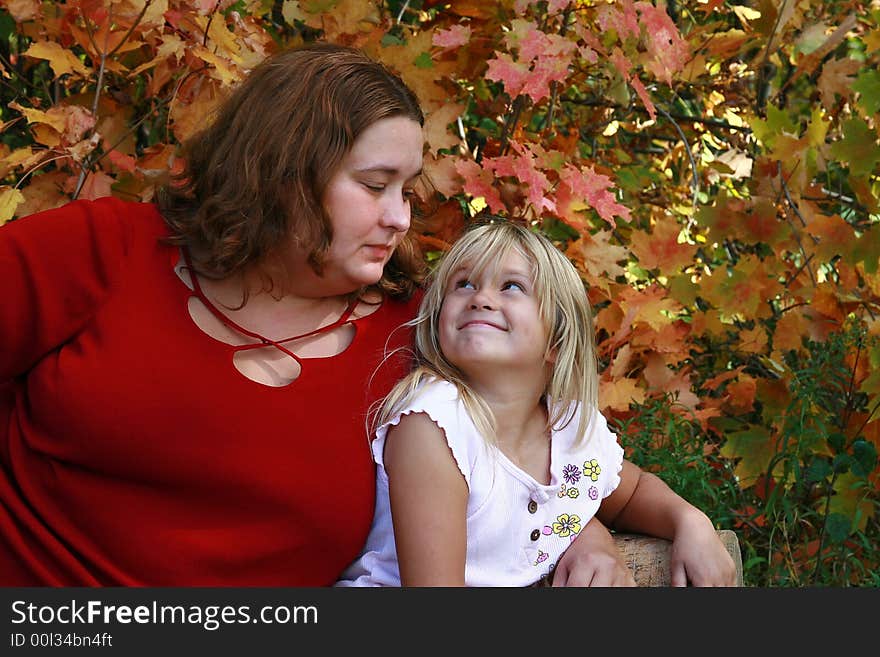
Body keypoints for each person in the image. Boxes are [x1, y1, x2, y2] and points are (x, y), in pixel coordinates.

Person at [0, 42, 430, 586]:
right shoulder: (107, 249)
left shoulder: (420, 335)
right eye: (374, 185)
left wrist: (577, 529)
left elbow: (551, 445)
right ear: (283, 173)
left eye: (408, 191)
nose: (399, 218)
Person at [337, 220, 737, 587]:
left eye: (511, 286)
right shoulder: (434, 424)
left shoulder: (570, 428)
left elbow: (629, 495)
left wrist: (690, 522)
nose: (480, 298)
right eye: (463, 284)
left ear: (556, 342)